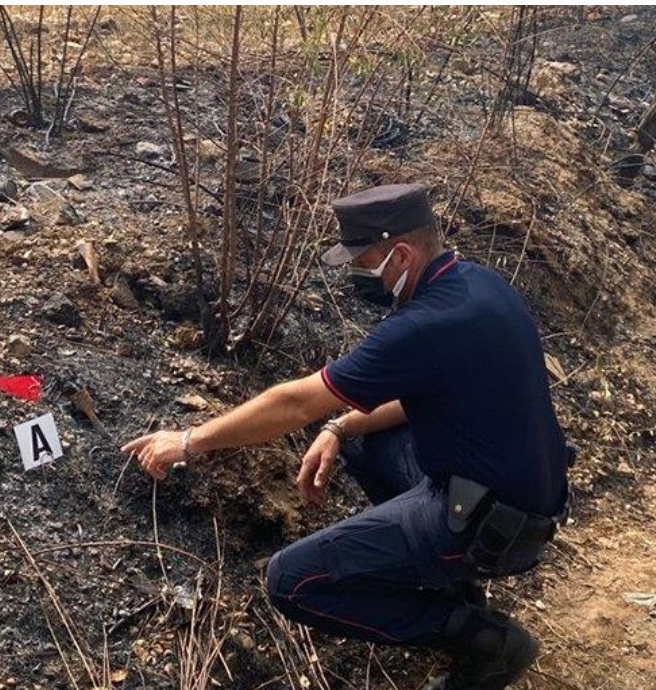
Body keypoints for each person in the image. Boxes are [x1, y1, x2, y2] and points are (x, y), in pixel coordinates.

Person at [121, 183, 571, 690]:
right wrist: (339, 426)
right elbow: (417, 396)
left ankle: (483, 640)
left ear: (401, 254)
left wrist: (189, 441)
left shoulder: (423, 324)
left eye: (364, 261)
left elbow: (295, 403)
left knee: (292, 581)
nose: (358, 274)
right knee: (360, 438)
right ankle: (457, 589)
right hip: (524, 500)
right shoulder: (479, 287)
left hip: (493, 529)